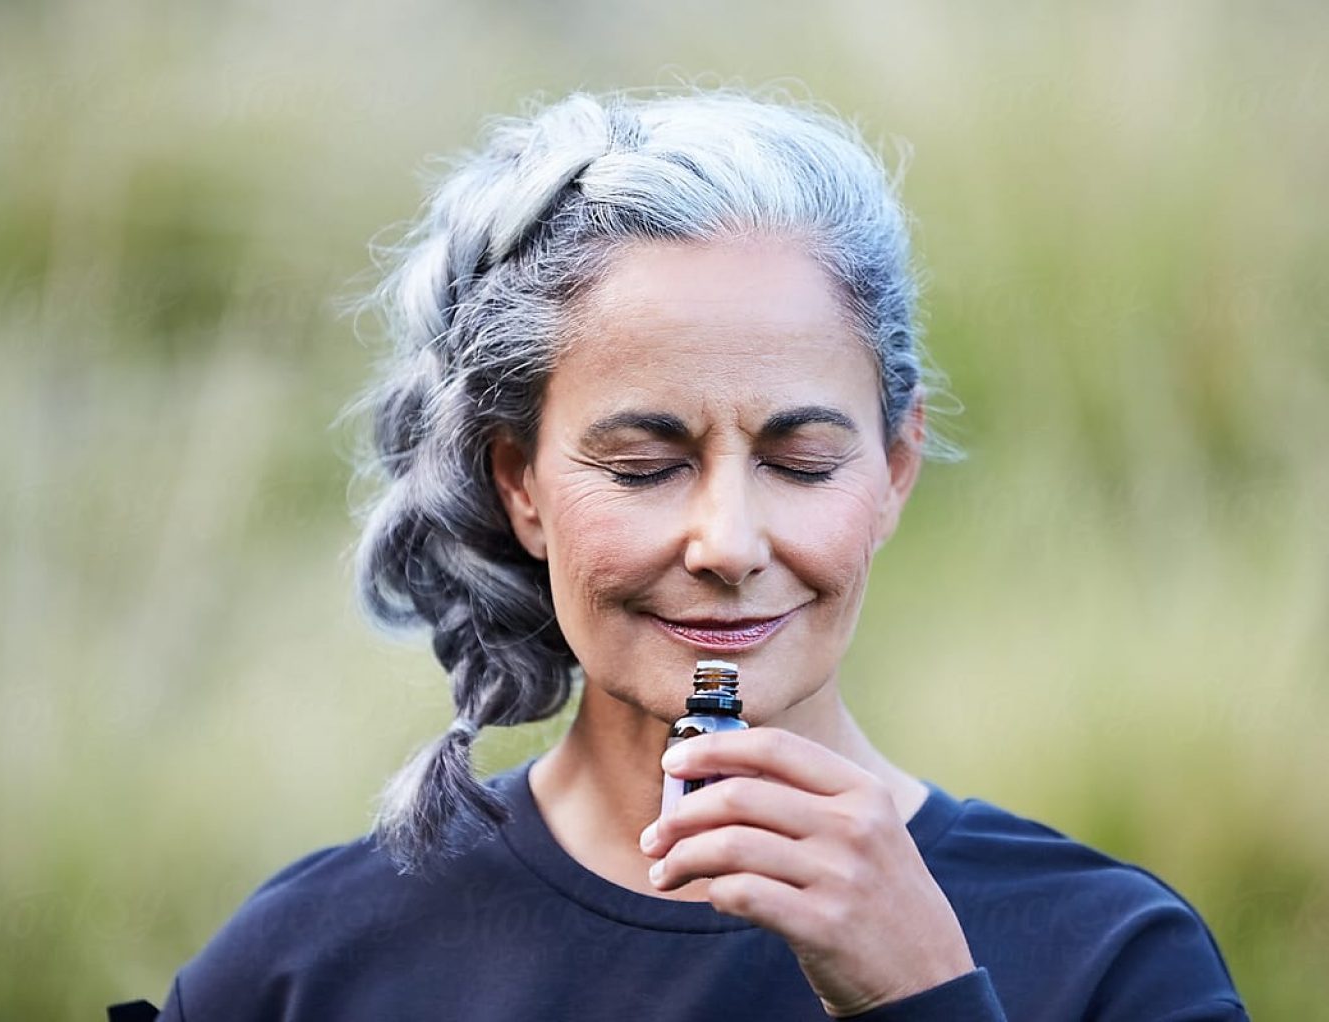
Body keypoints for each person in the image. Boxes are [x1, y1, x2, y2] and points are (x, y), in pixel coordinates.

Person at [106, 87, 1249, 1021]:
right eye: (645, 464)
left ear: (894, 471)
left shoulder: (1109, 959)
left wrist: (919, 998)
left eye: (799, 460)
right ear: (520, 485)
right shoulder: (311, 963)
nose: (727, 542)